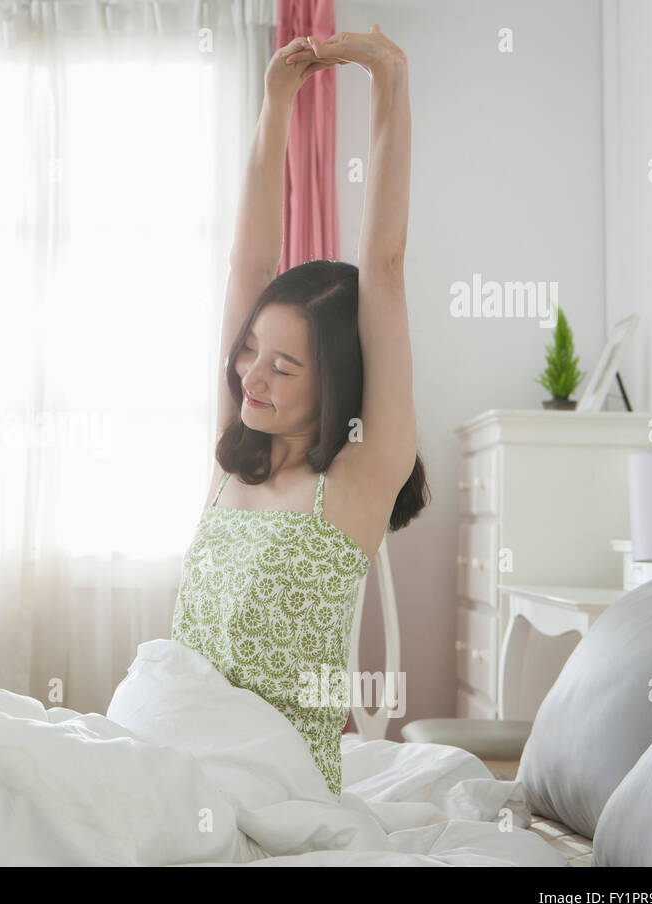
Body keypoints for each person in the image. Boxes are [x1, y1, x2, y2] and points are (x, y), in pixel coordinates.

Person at [170, 25, 430, 799]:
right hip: (171, 753)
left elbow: (382, 266)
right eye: (252, 350)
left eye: (285, 367)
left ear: (337, 389)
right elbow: (249, 262)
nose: (252, 377)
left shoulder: (354, 484)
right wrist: (275, 102)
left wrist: (391, 78)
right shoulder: (233, 450)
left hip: (267, 785)